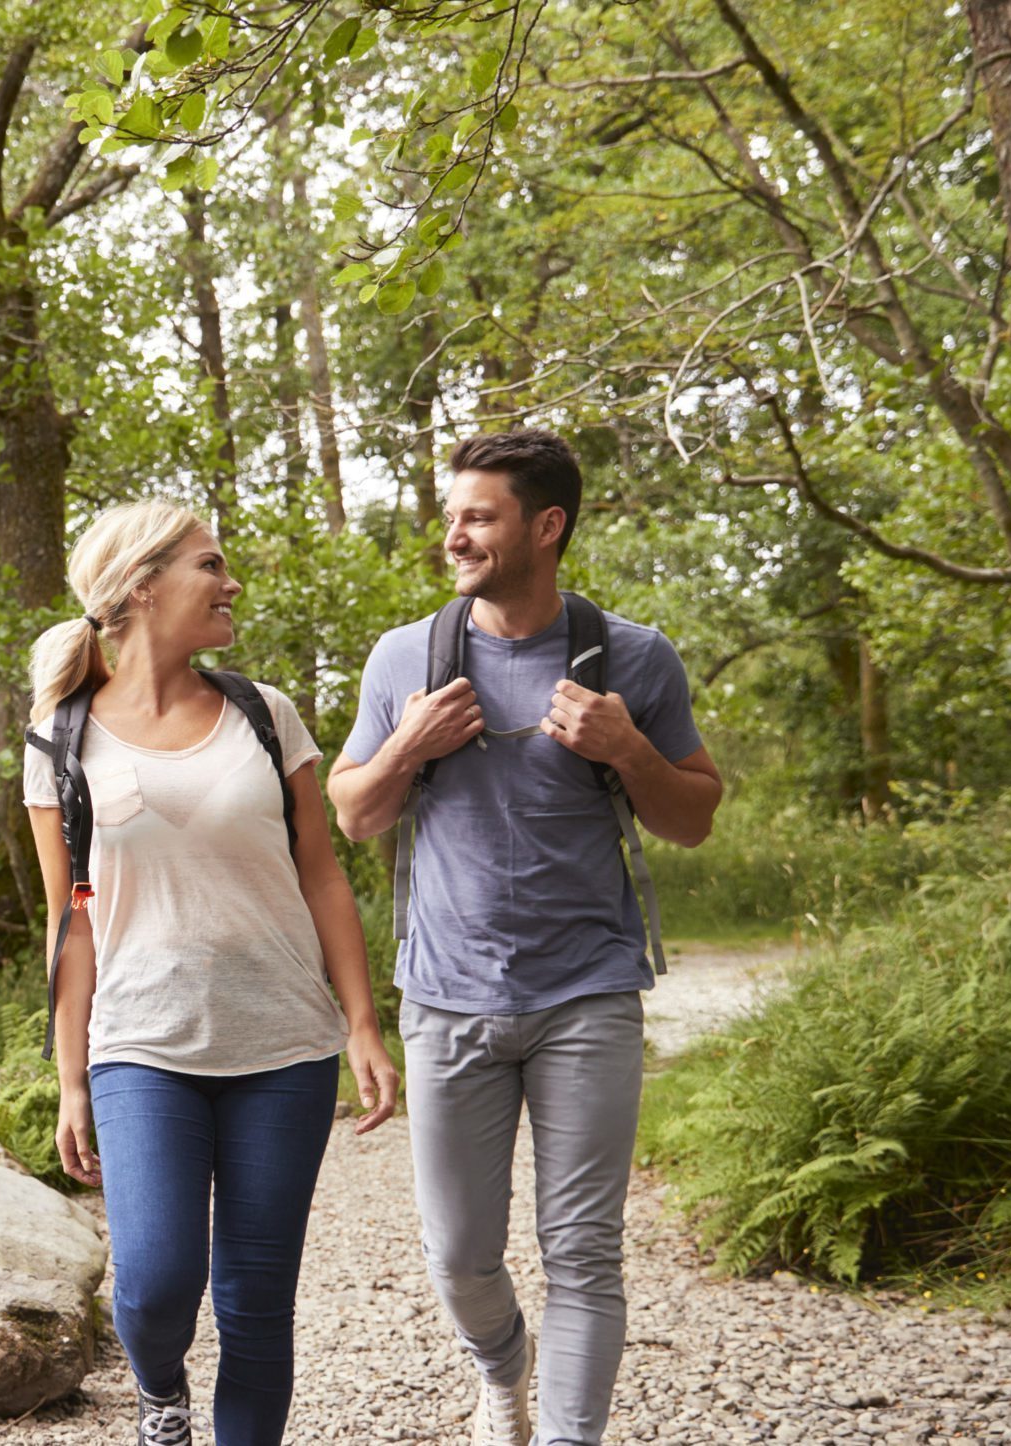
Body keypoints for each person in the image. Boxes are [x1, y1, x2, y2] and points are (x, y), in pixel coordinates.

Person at [327, 431, 723, 1446]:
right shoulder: (403, 655)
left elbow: (693, 818)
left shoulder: (634, 657)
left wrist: (629, 747)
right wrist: (408, 746)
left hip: (586, 995)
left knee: (583, 1253)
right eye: (451, 513)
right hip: (446, 998)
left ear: (544, 528)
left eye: (477, 516)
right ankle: (499, 1366)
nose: (451, 534)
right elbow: (352, 815)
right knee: (459, 1255)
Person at [23, 500, 400, 1446]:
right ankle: (161, 1396)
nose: (231, 585)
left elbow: (322, 872)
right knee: (153, 1283)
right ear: (142, 588)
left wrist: (361, 1022)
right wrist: (69, 1078)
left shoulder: (263, 714)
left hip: (283, 1045)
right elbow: (70, 919)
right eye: (211, 566)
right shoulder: (61, 742)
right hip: (141, 1047)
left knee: (256, 1301)